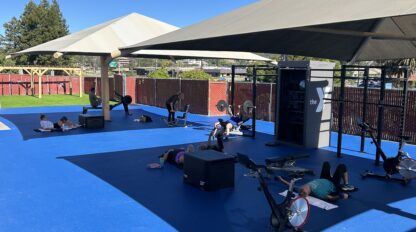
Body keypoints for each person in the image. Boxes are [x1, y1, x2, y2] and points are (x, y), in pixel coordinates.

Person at [277, 162, 355, 201]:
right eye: (303, 192)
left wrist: (281, 180)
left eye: (301, 192)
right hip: (333, 184)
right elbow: (331, 198)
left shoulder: (301, 188)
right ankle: (346, 185)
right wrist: (342, 196)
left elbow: (291, 185)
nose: (301, 191)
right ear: (307, 192)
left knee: (326, 164)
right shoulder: (318, 193)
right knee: (342, 166)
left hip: (323, 178)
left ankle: (331, 176)